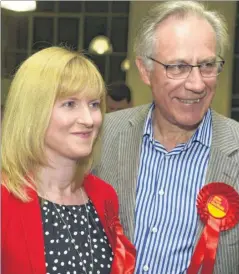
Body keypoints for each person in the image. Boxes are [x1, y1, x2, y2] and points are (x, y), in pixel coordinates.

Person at [94, 1, 239, 274]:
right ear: (145, 71)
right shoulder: (102, 136)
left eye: (207, 65)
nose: (197, 84)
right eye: (178, 67)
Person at [1, 46, 136, 274]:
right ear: (33, 113)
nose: (88, 119)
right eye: (70, 104)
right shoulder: (5, 198)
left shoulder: (104, 195)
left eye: (93, 104)